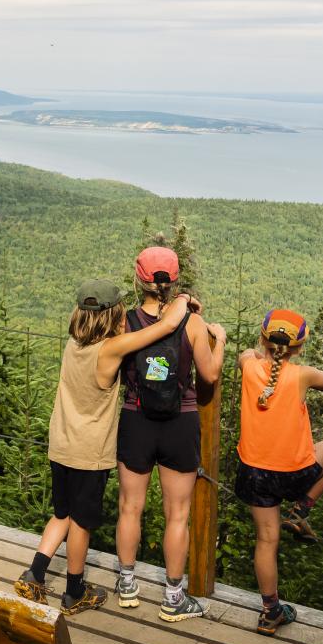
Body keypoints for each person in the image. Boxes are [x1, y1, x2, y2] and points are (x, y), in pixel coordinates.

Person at [14, 278, 193, 614]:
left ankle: (35, 573)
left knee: (62, 513)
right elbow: (166, 326)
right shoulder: (110, 348)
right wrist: (183, 299)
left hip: (62, 442)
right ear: (113, 315)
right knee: (81, 522)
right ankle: (74, 590)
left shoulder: (73, 344)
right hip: (89, 451)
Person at [114, 246, 227, 621]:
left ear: (139, 278)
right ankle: (174, 597)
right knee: (177, 514)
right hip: (181, 421)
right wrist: (220, 342)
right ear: (173, 280)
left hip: (136, 419)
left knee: (130, 506)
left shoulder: (125, 321)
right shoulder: (192, 324)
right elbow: (210, 376)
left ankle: (127, 584)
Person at [235, 309, 323, 635]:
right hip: (293, 474)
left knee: (266, 539)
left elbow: (245, 355)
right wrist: (306, 370)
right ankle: (301, 511)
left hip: (254, 473)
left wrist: (255, 354)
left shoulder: (249, 367)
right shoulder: (302, 375)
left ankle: (270, 611)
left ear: (263, 339)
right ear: (297, 348)